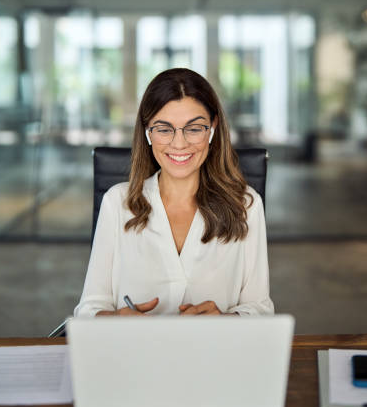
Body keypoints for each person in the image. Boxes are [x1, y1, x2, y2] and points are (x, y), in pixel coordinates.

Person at [74, 68, 274, 317]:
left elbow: (261, 309)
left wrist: (227, 320)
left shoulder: (246, 205)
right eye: (164, 129)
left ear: (213, 127)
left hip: (214, 353)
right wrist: (113, 319)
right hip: (134, 353)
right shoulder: (118, 202)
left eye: (194, 128)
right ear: (148, 132)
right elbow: (89, 309)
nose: (179, 144)